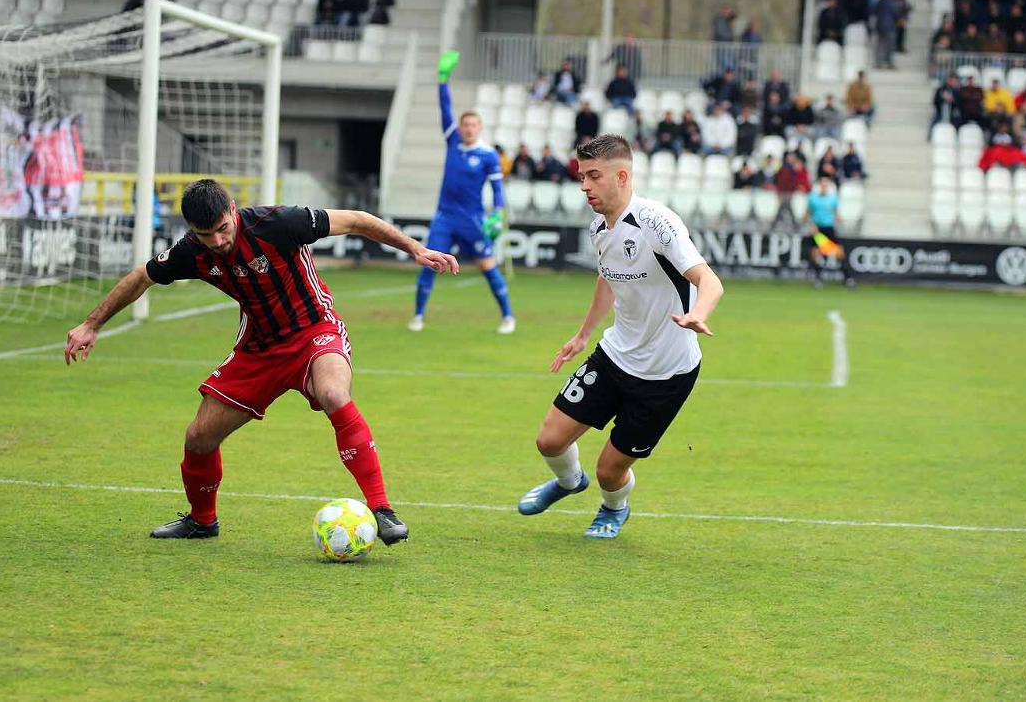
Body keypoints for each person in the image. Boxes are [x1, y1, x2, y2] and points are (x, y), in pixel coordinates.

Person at [64, 180, 459, 541]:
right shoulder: (191, 252)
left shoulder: (278, 223)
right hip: (258, 349)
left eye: (223, 228)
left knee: (334, 393)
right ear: (191, 228)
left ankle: (382, 509)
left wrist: (415, 248)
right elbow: (142, 276)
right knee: (198, 437)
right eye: (206, 234)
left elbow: (356, 220)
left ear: (233, 209)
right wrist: (91, 324)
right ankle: (202, 521)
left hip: (313, 330)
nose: (218, 241)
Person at [516, 134, 724, 539]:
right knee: (549, 441)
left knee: (610, 471)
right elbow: (607, 280)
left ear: (622, 176)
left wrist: (698, 313)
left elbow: (708, 280)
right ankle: (568, 482)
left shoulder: (658, 224)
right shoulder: (600, 228)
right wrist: (582, 335)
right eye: (581, 177)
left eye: (593, 176)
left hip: (666, 374)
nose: (584, 186)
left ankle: (614, 508)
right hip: (614, 356)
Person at [410, 51, 514, 334]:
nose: (468, 129)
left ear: (479, 128)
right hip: (445, 217)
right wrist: (442, 80)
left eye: (472, 125)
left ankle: (508, 317)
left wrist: (497, 214)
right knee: (428, 263)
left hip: (472, 220)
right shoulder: (453, 140)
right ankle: (418, 316)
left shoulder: (488, 155)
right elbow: (445, 108)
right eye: (464, 124)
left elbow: (496, 187)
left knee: (488, 267)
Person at [803, 176, 856, 288]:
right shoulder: (812, 198)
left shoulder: (833, 199)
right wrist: (811, 225)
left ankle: (848, 278)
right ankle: (818, 279)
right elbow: (807, 214)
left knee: (839, 253)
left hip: (829, 228)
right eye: (822, 185)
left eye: (826, 185)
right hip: (818, 229)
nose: (824, 187)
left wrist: (840, 222)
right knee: (816, 254)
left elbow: (836, 214)